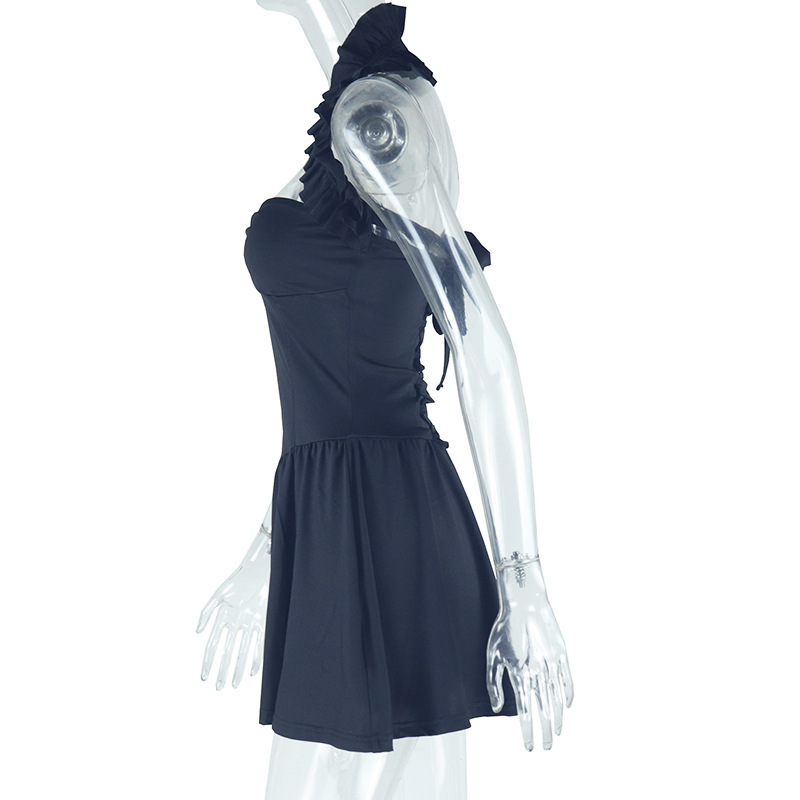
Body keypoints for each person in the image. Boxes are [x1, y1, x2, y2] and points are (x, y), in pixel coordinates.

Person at [197, 2, 573, 797]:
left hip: (400, 516)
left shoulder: (384, 117)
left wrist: (524, 578)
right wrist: (269, 544)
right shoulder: (356, 117)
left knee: (403, 774)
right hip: (319, 515)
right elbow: (331, 390)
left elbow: (485, 359)